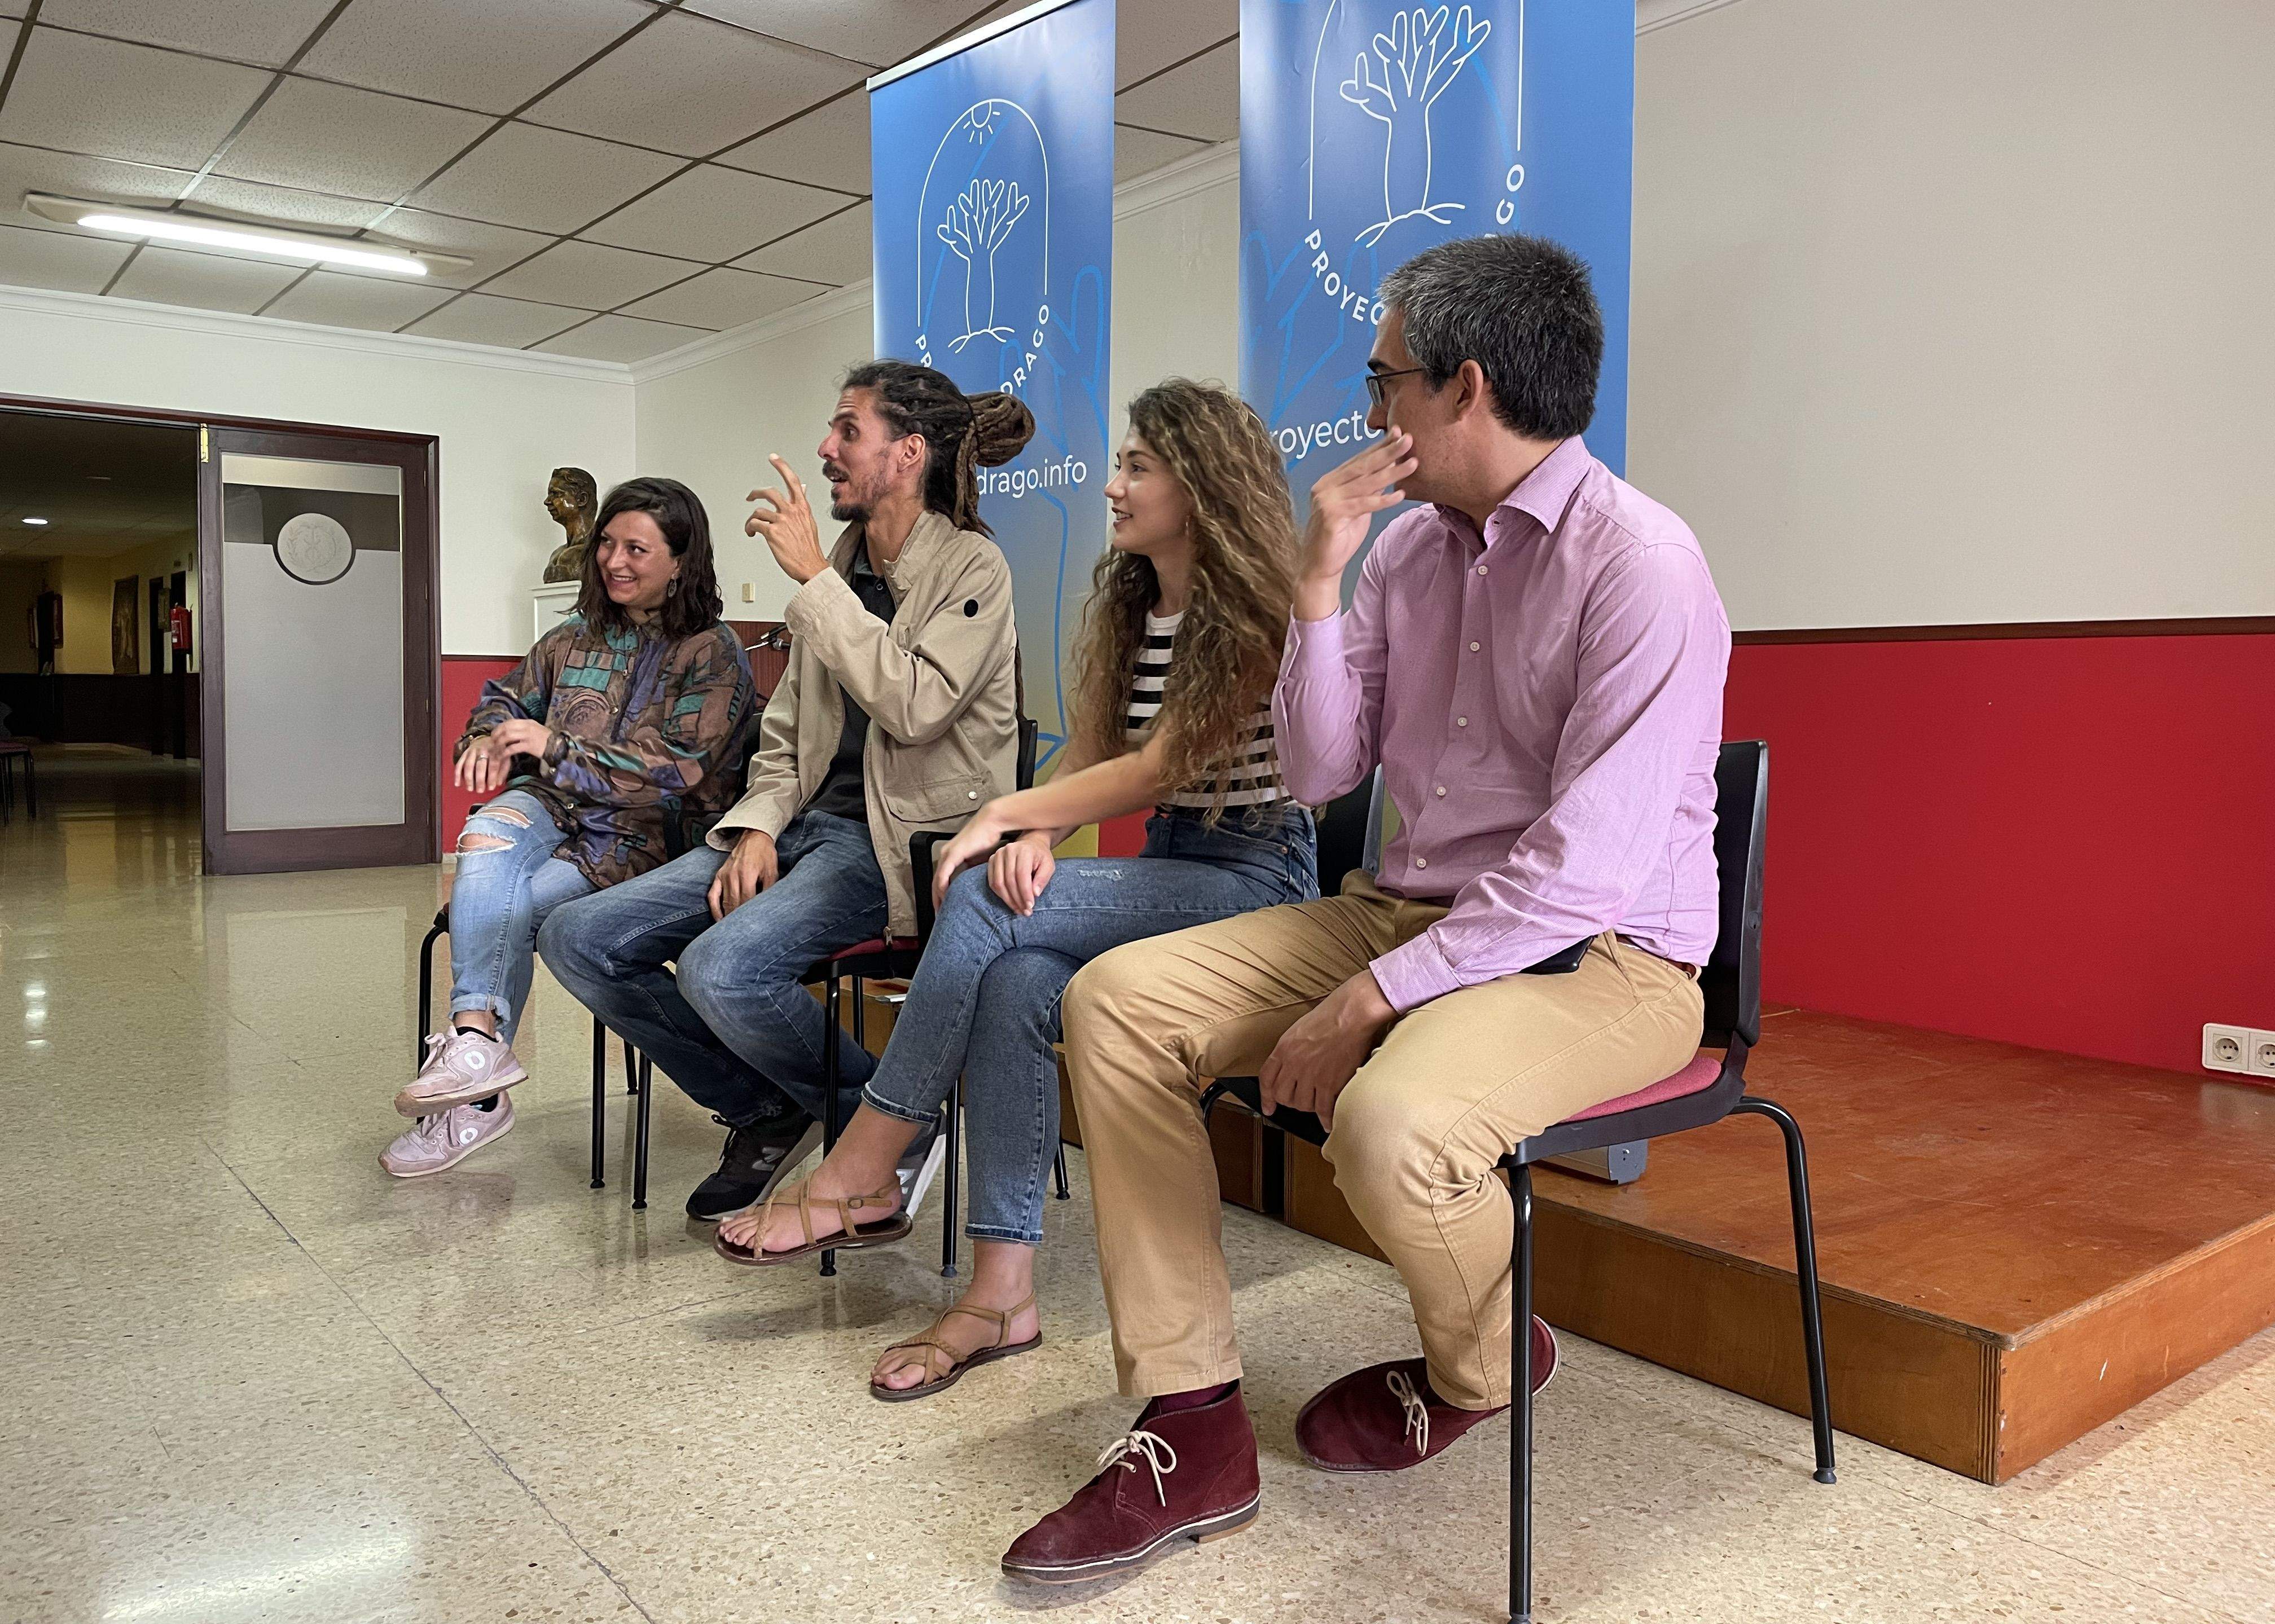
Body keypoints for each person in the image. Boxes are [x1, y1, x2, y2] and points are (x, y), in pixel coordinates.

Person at [1003, 234, 1733, 1584]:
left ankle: (1489, 1355)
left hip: (1607, 954)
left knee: (1391, 1123)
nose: (1367, 407)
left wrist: (1371, 1000)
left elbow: (1582, 868)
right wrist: (1319, 580)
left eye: (1380, 376)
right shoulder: (1401, 556)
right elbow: (1328, 771)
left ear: (1460, 388)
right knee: (1114, 1004)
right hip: (1408, 911)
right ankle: (1194, 1418)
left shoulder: (1643, 563)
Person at [717, 380, 1320, 1401]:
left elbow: (1162, 763)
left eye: (1138, 466)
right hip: (1177, 860)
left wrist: (1006, 819)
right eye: (1120, 461)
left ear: (1204, 485)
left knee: (984, 900)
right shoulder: (1137, 599)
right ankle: (1002, 1293)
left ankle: (866, 1156)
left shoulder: (1254, 606)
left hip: (1257, 872)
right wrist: (1036, 820)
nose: (1113, 483)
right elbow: (1094, 748)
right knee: (1013, 978)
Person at [539, 363, 1034, 1222]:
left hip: (894, 846)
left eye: (848, 430)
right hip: (800, 828)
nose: (825, 448)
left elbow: (915, 708)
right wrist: (759, 827)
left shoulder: (973, 568)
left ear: (908, 453)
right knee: (579, 935)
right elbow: (788, 735)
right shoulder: (843, 563)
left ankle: (888, 1125)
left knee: (722, 969)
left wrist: (816, 586)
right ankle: (769, 1108)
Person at [383, 477, 754, 1178]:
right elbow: (503, 699)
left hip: (642, 837)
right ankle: (476, 1043)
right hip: (550, 805)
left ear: (681, 560)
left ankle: (477, 1105)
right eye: (608, 543)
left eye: (636, 548)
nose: (614, 560)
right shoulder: (571, 636)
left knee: (510, 910)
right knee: (484, 837)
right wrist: (489, 736)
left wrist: (554, 746)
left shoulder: (713, 653)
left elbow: (679, 771)